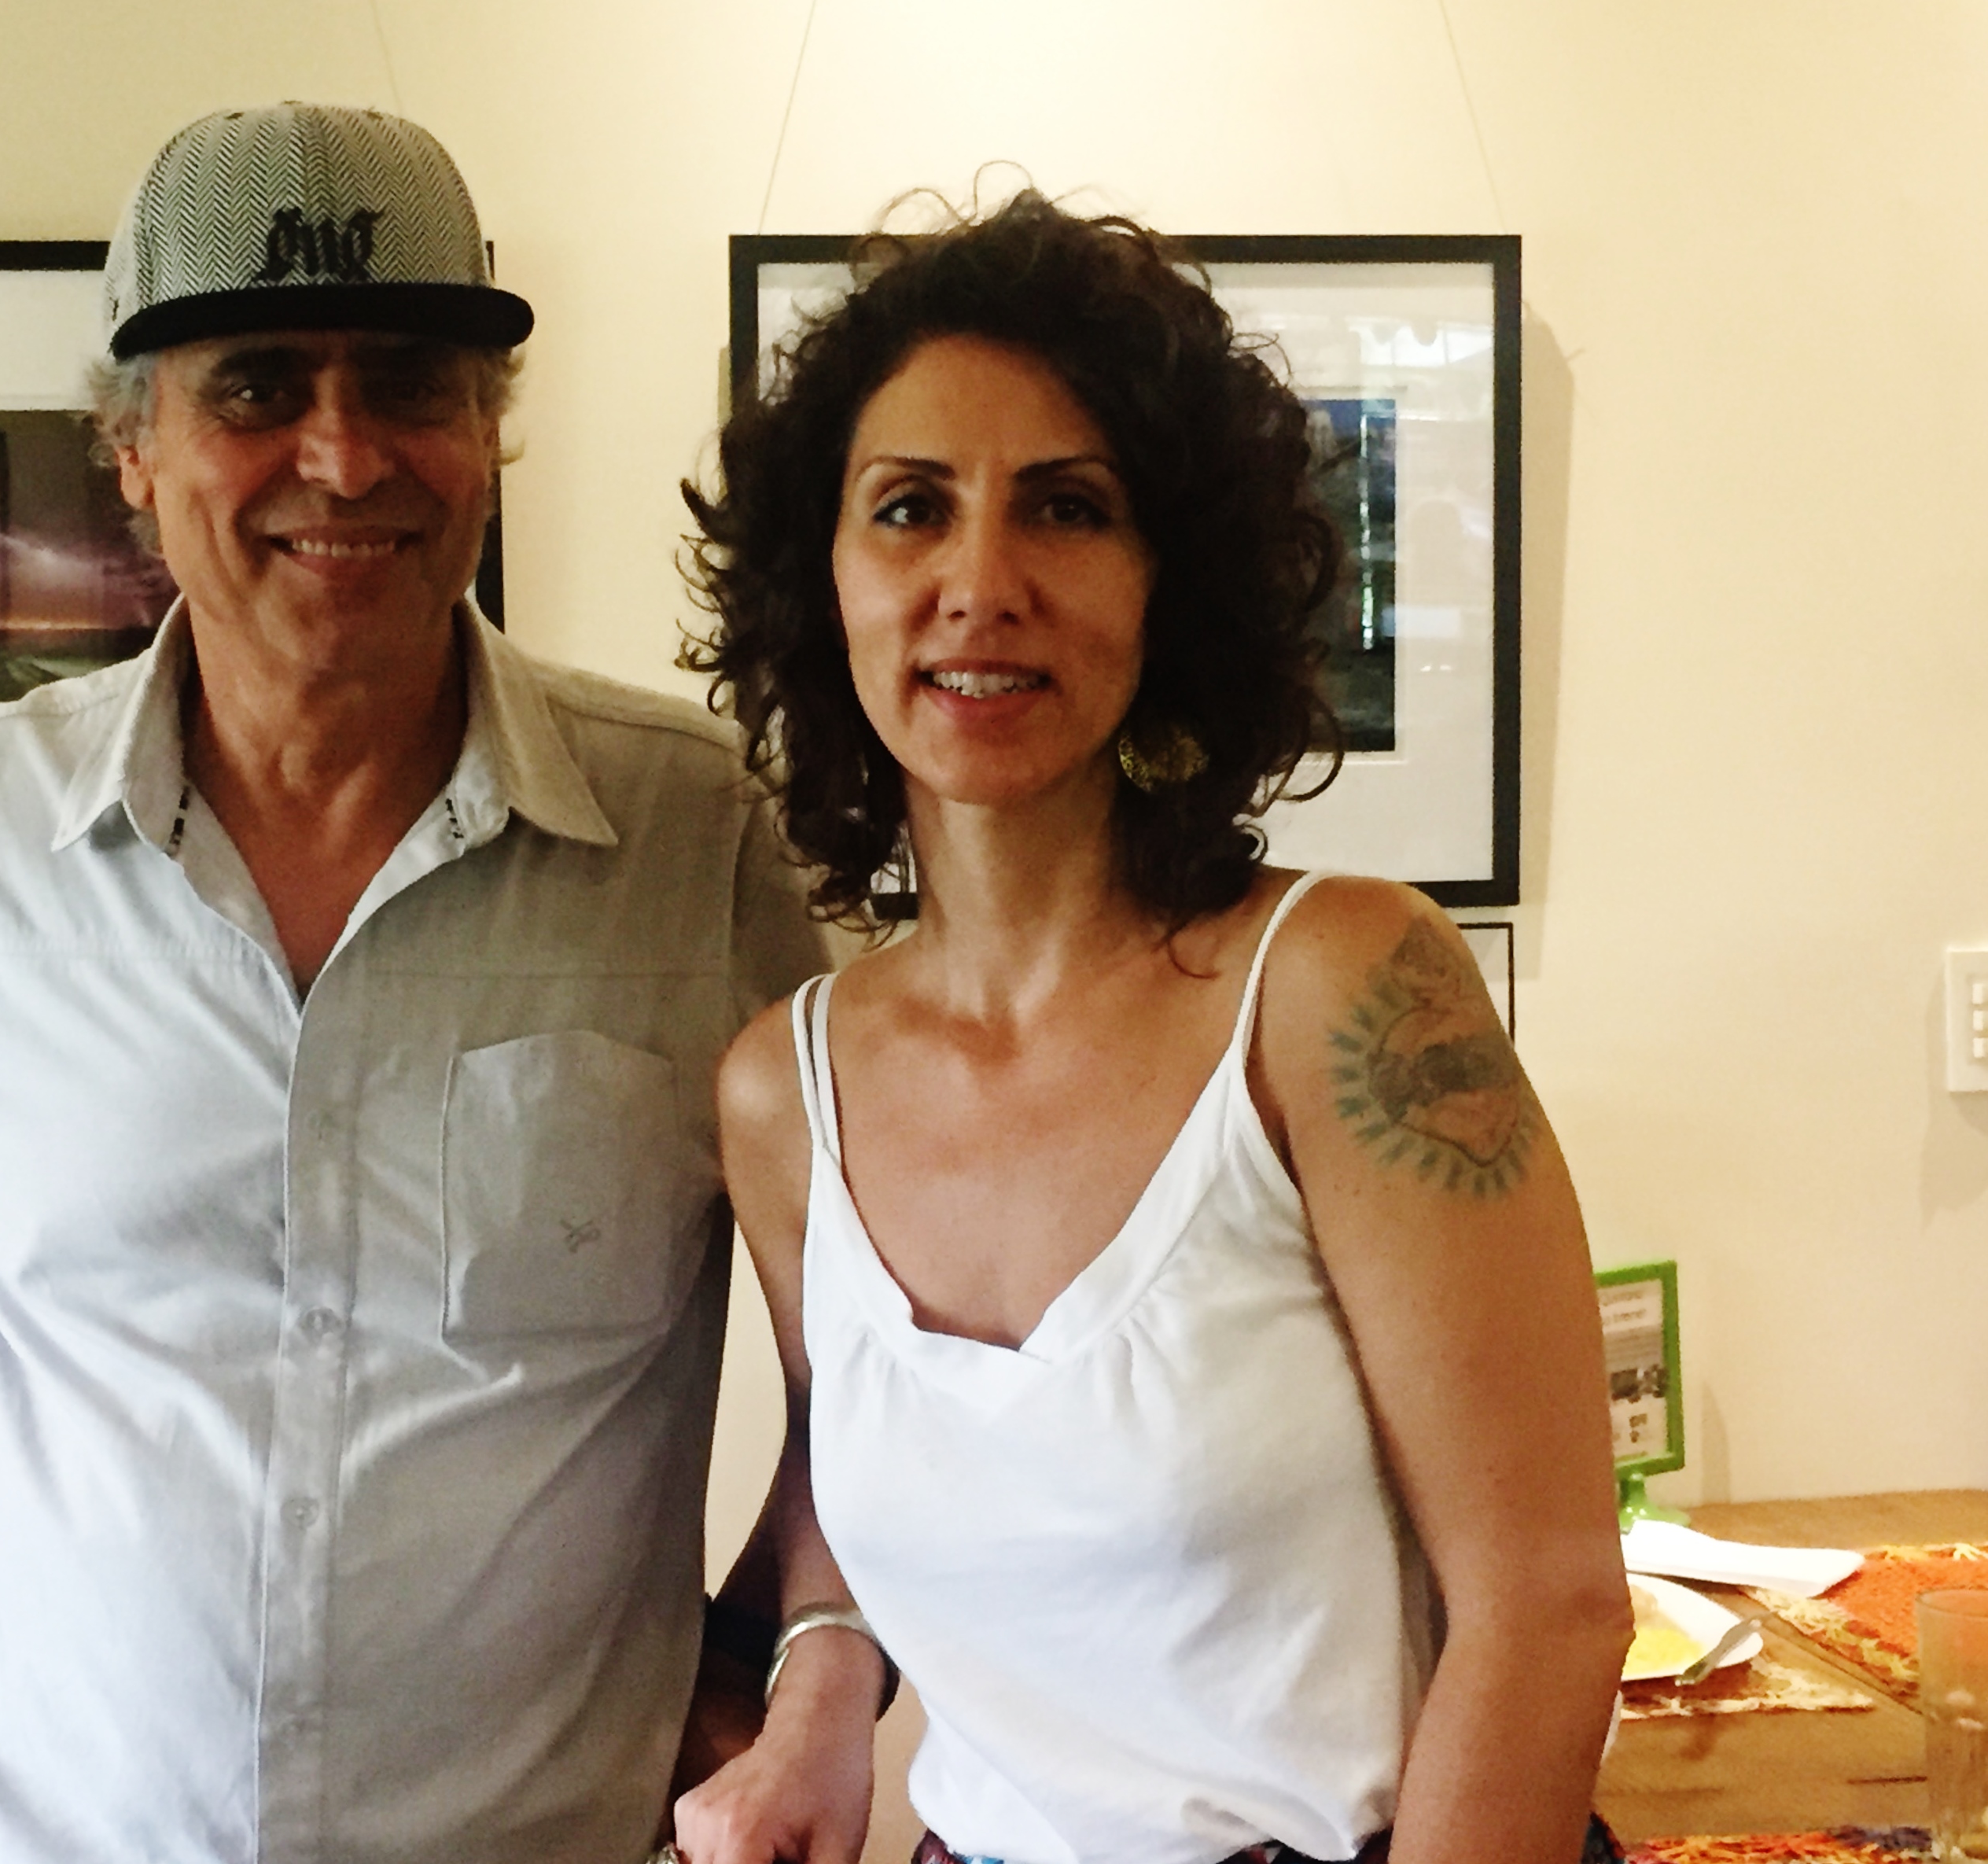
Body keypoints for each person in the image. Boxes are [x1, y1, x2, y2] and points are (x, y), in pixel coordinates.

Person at [0, 102, 826, 1864]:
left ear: (487, 436)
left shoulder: (693, 833)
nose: (343, 458)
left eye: (410, 384)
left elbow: (877, 1333)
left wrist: (768, 1651)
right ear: (133, 449)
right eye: (257, 386)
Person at [667, 193, 1633, 1864]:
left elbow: (1545, 1608)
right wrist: (815, 1706)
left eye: (1067, 507)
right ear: (824, 579)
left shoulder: (1338, 988)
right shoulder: (783, 1090)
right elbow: (864, 1461)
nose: (980, 583)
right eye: (909, 508)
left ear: (1167, 581)